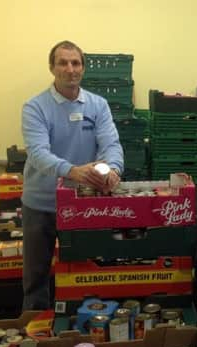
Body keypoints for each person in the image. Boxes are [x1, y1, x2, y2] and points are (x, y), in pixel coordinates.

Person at [21, 40, 124, 310]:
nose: (70, 69)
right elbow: (38, 153)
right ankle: (36, 331)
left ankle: (83, 324)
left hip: (83, 204)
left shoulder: (98, 105)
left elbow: (111, 144)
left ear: (83, 68)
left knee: (84, 271)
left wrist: (113, 168)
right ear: (52, 68)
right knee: (36, 277)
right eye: (63, 62)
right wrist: (73, 171)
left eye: (75, 63)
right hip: (41, 205)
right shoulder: (35, 107)